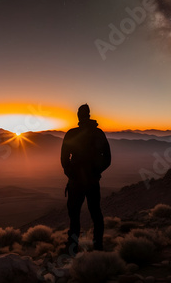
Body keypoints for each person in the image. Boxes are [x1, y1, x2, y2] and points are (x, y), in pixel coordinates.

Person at [61, 103, 111, 253]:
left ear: (78, 115)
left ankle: (72, 248)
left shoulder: (71, 133)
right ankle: (98, 246)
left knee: (74, 215)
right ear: (88, 115)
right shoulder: (98, 133)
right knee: (95, 212)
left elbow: (64, 160)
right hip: (92, 181)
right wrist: (96, 171)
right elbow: (107, 158)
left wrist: (71, 174)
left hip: (76, 183)